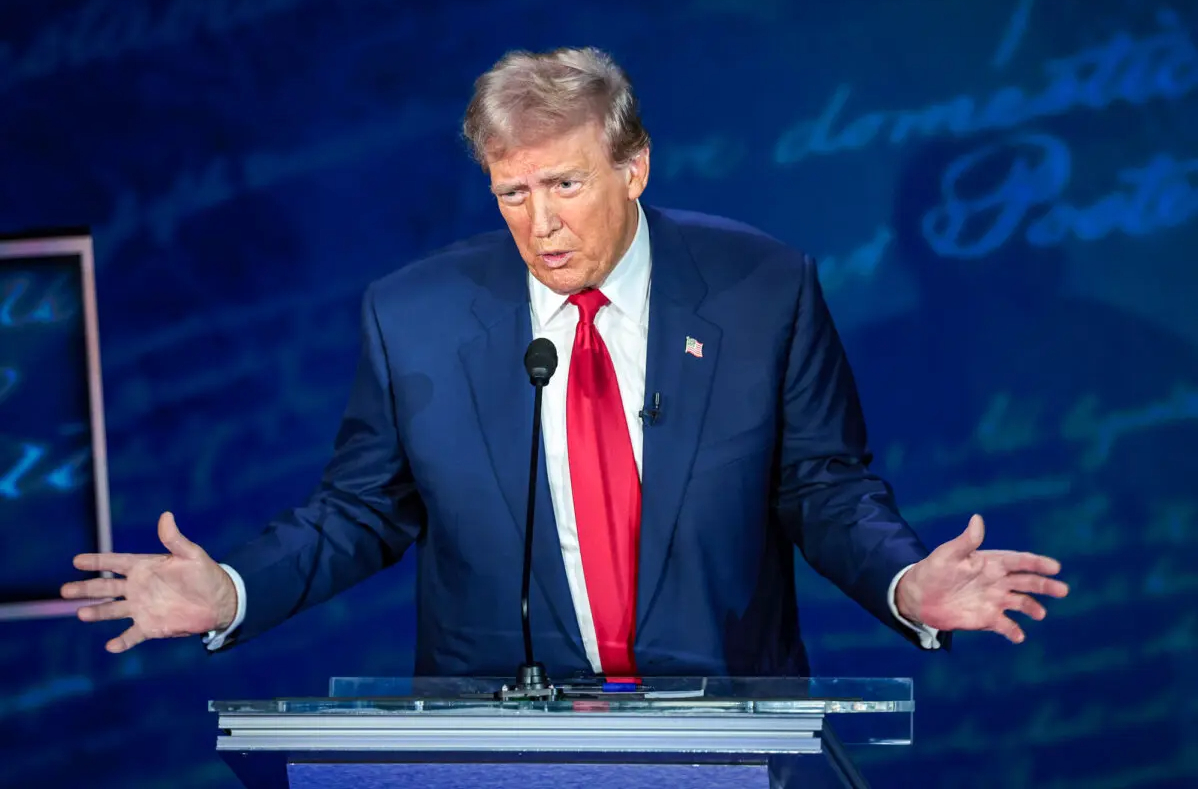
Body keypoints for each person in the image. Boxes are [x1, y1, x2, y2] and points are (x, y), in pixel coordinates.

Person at [61, 47, 1068, 678]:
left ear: (634, 167)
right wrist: (233, 589)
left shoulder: (764, 287)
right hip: (497, 740)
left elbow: (823, 487)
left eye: (566, 184)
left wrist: (904, 582)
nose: (539, 224)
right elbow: (362, 507)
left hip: (718, 729)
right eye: (510, 192)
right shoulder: (414, 316)